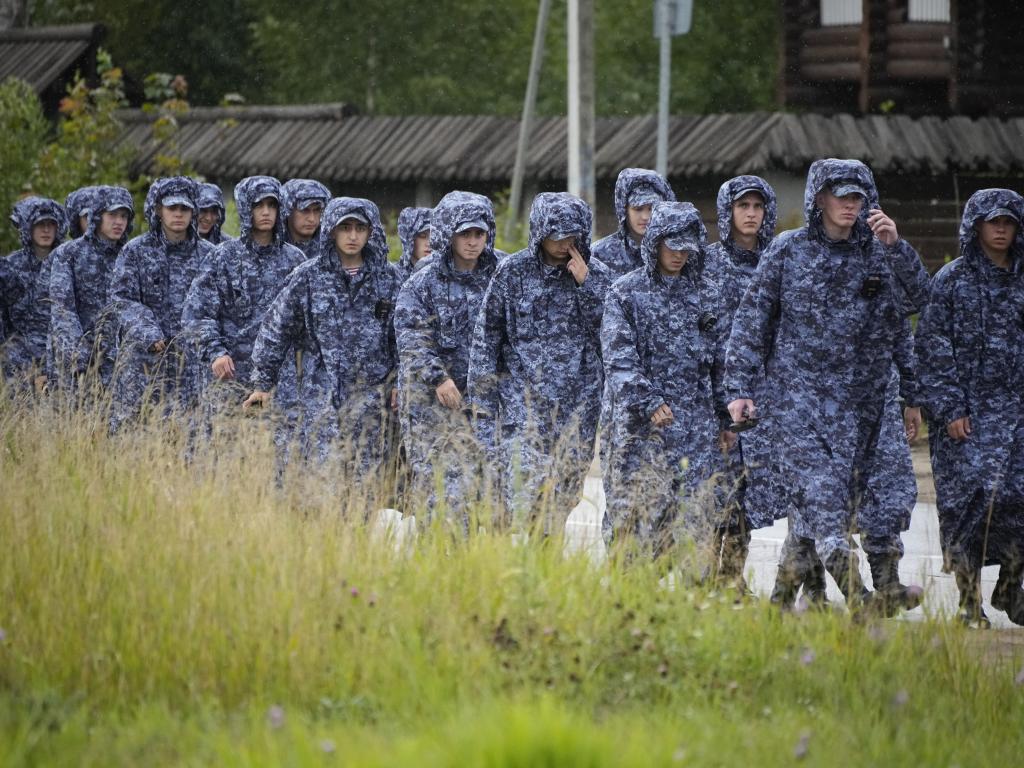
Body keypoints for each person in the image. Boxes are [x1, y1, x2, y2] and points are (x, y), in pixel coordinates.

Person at [725, 158, 930, 616]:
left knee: (843, 504)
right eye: (841, 195)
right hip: (798, 402)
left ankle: (780, 604)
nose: (850, 204)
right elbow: (750, 323)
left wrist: (897, 248)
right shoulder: (787, 251)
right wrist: (739, 390)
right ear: (818, 198)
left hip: (863, 407)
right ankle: (859, 597)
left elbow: (916, 308)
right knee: (820, 498)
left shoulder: (878, 252)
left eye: (858, 196)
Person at [468, 192, 610, 534]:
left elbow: (612, 332)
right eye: (556, 235)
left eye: (571, 236)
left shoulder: (597, 275)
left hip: (577, 406)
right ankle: (514, 565)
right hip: (523, 405)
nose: (563, 244)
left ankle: (543, 568)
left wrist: (586, 284)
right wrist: (483, 404)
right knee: (524, 494)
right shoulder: (512, 272)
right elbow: (487, 337)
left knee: (561, 497)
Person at [916, 188, 1024, 628]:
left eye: (1009, 221)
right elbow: (932, 348)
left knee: (1019, 500)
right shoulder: (952, 281)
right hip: (966, 418)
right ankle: (968, 601)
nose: (1000, 229)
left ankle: (1009, 586)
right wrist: (949, 407)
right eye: (992, 221)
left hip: (1016, 413)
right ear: (975, 225)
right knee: (969, 504)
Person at [601, 201, 731, 560]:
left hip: (695, 425)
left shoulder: (706, 293)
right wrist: (649, 401)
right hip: (640, 428)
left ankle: (689, 602)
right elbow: (619, 359)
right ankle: (629, 599)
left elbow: (719, 361)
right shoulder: (625, 293)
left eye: (686, 247)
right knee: (636, 519)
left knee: (693, 518)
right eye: (671, 245)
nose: (678, 254)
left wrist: (725, 417)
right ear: (655, 242)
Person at [246, 197, 402, 488]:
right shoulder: (308, 276)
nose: (353, 236)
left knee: (366, 485)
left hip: (372, 398)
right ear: (331, 230)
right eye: (345, 228)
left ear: (371, 232)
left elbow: (404, 337)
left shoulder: (390, 279)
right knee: (323, 478)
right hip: (321, 393)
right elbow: (276, 330)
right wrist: (262, 383)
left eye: (360, 228)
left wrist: (400, 381)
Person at [394, 192, 498, 528]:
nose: (472, 242)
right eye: (464, 234)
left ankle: (469, 571)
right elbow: (410, 334)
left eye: (478, 234)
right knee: (442, 493)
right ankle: (437, 562)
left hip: (483, 403)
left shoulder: (501, 274)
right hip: (431, 404)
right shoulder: (424, 280)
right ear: (448, 235)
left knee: (482, 494)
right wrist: (437, 377)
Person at [702, 175, 780, 591]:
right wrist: (718, 408)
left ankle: (732, 578)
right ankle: (705, 577)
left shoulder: (779, 259)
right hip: (718, 394)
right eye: (742, 206)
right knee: (720, 490)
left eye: (757, 207)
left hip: (767, 394)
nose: (750, 214)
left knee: (750, 494)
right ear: (727, 212)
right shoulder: (707, 262)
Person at [181, 176, 306, 422]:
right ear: (245, 208)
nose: (266, 212)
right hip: (230, 378)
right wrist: (215, 352)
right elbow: (197, 314)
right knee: (227, 452)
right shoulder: (223, 257)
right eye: (258, 206)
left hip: (282, 381)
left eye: (272, 206)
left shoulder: (295, 260)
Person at [108, 176, 215, 429]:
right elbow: (122, 298)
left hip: (192, 364)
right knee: (135, 431)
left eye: (185, 209)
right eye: (172, 208)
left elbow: (217, 306)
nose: (178, 214)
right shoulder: (136, 251)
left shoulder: (210, 254)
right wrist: (148, 332)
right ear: (158, 210)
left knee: (193, 434)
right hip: (145, 360)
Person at [49, 185, 135, 390]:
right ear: (97, 215)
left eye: (124, 216)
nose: (119, 222)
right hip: (78, 364)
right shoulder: (69, 254)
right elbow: (62, 309)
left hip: (123, 363)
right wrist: (79, 356)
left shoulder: (132, 254)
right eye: (112, 214)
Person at [0, 196, 68, 386]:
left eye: (50, 224)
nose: (46, 230)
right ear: (28, 228)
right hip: (18, 357)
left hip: (59, 353)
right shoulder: (10, 266)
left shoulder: (67, 263)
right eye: (39, 224)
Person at [592, 168, 675, 281]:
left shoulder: (678, 252)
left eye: (652, 209)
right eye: (638, 209)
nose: (645, 217)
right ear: (624, 210)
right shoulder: (599, 254)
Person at [281, 178, 331, 260]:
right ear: (288, 210)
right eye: (304, 210)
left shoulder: (331, 248)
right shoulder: (271, 248)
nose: (312, 219)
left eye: (317, 210)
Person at [395, 206, 432, 283]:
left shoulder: (446, 277)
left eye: (434, 236)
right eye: (422, 236)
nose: (429, 243)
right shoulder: (392, 277)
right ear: (409, 239)